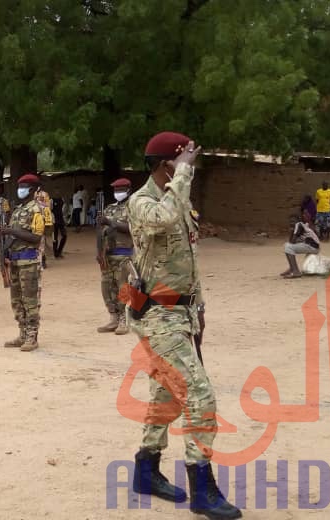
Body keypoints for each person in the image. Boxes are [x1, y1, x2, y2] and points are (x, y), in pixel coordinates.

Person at [127, 132, 240, 519]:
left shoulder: (179, 198)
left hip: (180, 312)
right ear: (166, 166)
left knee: (168, 395)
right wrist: (184, 174)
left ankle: (146, 469)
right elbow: (164, 219)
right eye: (186, 159)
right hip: (156, 315)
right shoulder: (142, 202)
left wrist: (199, 308)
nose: (193, 166)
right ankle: (203, 488)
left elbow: (187, 261)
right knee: (200, 396)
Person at [0, 174, 45, 352]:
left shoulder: (37, 210)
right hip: (16, 260)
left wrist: (12, 231)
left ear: (33, 190)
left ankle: (32, 336)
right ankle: (22, 333)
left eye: (24, 186)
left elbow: (36, 237)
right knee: (17, 300)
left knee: (30, 299)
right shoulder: (18, 210)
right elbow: (13, 236)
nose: (20, 190)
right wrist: (5, 252)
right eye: (19, 186)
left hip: (29, 261)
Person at [96, 178, 135, 336]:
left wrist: (111, 223)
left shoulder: (133, 207)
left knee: (123, 287)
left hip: (124, 253)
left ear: (128, 190)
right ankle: (113, 317)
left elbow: (133, 228)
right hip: (108, 254)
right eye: (115, 189)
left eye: (120, 189)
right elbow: (100, 230)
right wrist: (99, 251)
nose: (117, 192)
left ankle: (124, 320)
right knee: (107, 287)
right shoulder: (110, 208)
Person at [281, 211, 320, 278]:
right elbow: (291, 241)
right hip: (313, 246)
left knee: (287, 246)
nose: (291, 223)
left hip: (312, 246)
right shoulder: (300, 225)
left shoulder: (299, 224)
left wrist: (292, 231)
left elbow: (292, 242)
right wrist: (292, 230)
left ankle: (296, 271)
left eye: (293, 221)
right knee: (287, 245)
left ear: (298, 220)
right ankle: (292, 268)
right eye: (290, 222)